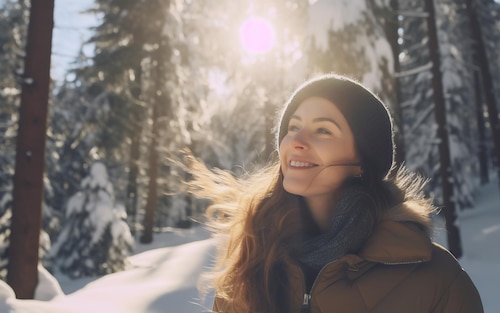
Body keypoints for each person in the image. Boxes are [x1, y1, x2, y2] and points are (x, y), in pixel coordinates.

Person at [194, 74, 483, 313]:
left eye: (323, 130)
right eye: (293, 127)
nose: (297, 141)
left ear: (361, 161)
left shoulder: (438, 279)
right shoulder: (254, 258)